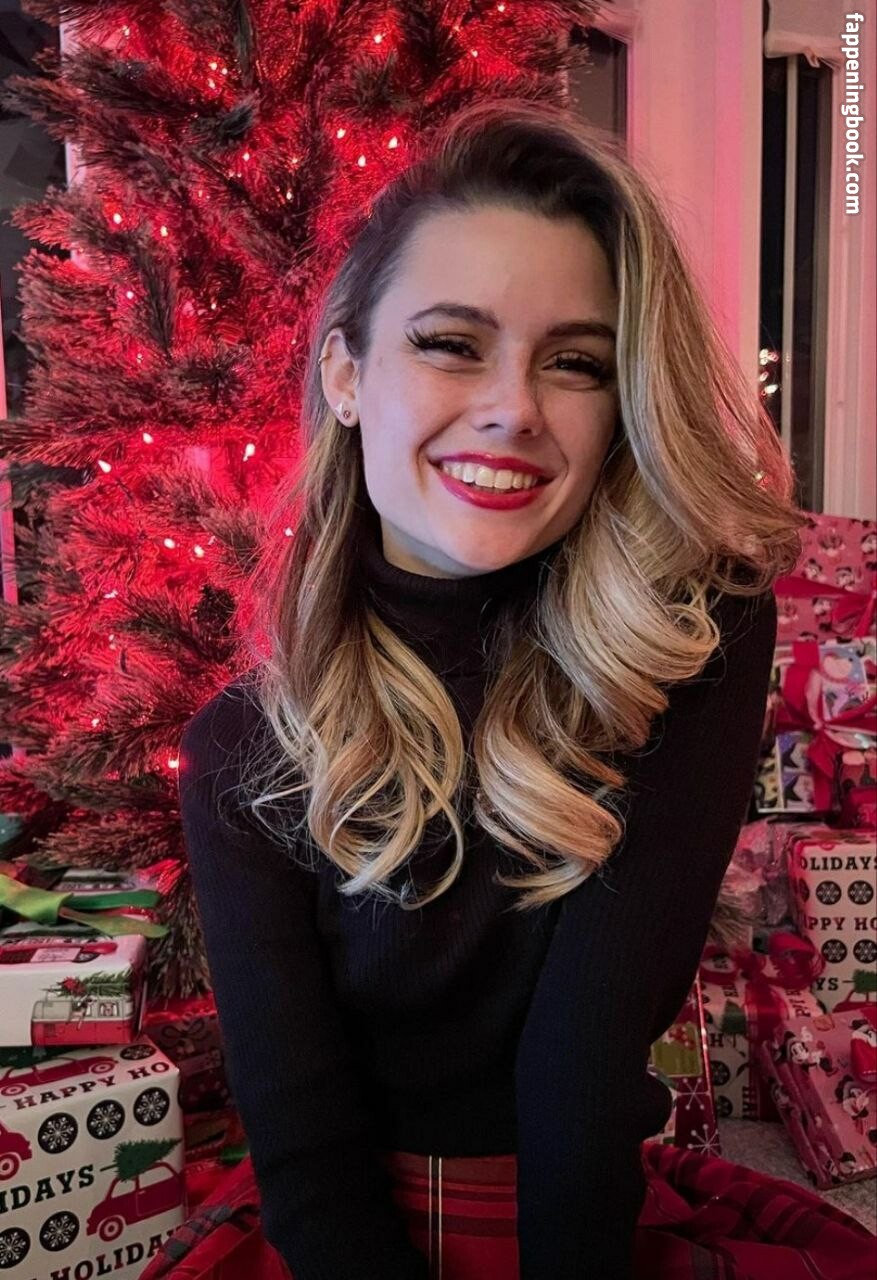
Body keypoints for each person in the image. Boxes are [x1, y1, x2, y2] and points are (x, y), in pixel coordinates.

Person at [161, 98, 874, 1280]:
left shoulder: (685, 639)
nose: (515, 409)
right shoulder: (239, 746)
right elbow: (305, 1141)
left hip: (579, 1213)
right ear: (347, 373)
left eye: (575, 361)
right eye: (451, 343)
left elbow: (581, 1068)